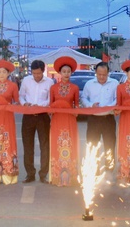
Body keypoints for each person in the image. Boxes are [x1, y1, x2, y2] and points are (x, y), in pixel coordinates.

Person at [48, 56, 80, 186]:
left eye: (68, 71)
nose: (66, 74)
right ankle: (56, 175)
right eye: (64, 71)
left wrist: (76, 111)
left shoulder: (75, 88)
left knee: (70, 144)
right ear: (59, 73)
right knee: (57, 144)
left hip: (69, 119)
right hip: (57, 119)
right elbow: (51, 104)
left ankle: (71, 176)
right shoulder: (53, 88)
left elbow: (76, 104)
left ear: (71, 72)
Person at [19, 59, 52, 184]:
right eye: (34, 73)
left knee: (45, 145)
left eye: (38, 73)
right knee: (28, 145)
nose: (36, 76)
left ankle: (43, 174)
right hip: (28, 116)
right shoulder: (26, 81)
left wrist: (40, 105)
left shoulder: (49, 82)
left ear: (43, 71)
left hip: (43, 116)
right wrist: (24, 103)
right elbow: (21, 95)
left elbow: (50, 99)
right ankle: (30, 174)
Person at [81, 62, 118, 171]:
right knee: (92, 145)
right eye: (99, 74)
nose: (102, 77)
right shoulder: (89, 84)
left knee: (110, 146)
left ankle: (109, 171)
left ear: (108, 73)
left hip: (108, 119)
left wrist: (109, 106)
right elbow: (83, 98)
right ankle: (94, 169)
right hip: (94, 119)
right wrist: (90, 105)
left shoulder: (114, 83)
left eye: (104, 75)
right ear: (95, 73)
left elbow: (118, 99)